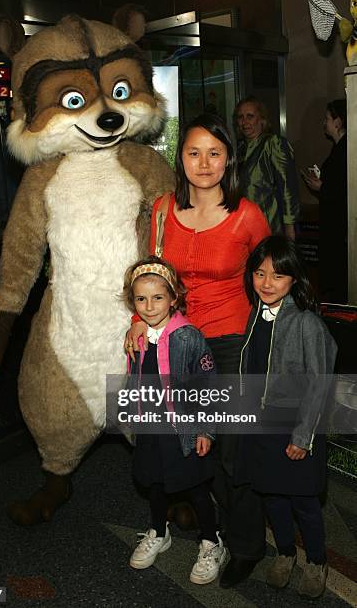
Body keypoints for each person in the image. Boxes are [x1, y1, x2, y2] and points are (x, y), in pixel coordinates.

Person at [127, 113, 271, 587]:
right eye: (194, 152)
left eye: (215, 152)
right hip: (174, 339)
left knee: (231, 450)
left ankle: (242, 543)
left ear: (228, 157)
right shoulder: (164, 211)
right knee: (173, 438)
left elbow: (273, 275)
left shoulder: (247, 215)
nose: (204, 162)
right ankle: (191, 530)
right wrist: (136, 320)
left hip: (229, 342)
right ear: (180, 157)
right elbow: (151, 272)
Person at [240, 235, 337, 599]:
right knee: (272, 497)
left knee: (304, 502)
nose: (267, 283)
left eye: (278, 276)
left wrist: (302, 437)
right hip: (264, 426)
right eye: (260, 273)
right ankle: (284, 552)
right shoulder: (255, 315)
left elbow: (320, 383)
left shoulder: (306, 323)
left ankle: (315, 560)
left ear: (294, 279)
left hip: (297, 426)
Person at [122, 256, 226, 585]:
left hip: (183, 429)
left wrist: (206, 429)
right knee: (153, 481)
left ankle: (212, 540)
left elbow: (209, 386)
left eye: (158, 298)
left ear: (174, 298)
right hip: (150, 426)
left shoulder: (188, 337)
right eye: (141, 299)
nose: (149, 306)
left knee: (195, 488)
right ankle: (158, 530)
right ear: (132, 302)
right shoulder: (136, 335)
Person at [301, 99, 348, 302]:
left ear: (338, 121)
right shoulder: (339, 148)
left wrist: (322, 187)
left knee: (338, 279)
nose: (324, 123)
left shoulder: (346, 149)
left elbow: (345, 190)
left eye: (327, 118)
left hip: (340, 226)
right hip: (335, 222)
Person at [235, 96, 300, 238]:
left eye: (250, 116)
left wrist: (290, 227)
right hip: (244, 227)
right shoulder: (240, 150)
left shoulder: (273, 144)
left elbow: (288, 185)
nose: (244, 122)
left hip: (270, 226)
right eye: (240, 117)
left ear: (262, 120)